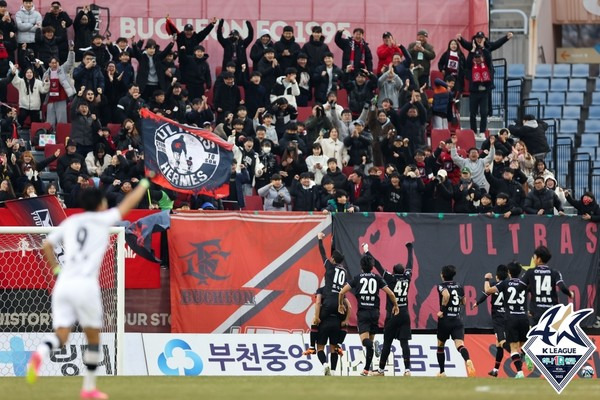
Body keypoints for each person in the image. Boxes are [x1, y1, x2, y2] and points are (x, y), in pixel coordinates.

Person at [27, 175, 152, 398]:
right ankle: (89, 389)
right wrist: (143, 184)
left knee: (61, 335)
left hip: (63, 283)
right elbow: (127, 204)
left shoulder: (70, 221)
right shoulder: (102, 220)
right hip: (85, 285)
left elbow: (46, 244)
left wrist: (56, 269)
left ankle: (39, 353)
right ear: (101, 204)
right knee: (93, 338)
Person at [338, 253, 398, 376]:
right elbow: (391, 294)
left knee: (365, 341)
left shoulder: (357, 277)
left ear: (361, 266)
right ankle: (366, 369)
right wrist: (396, 306)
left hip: (363, 313)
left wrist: (340, 304)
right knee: (369, 344)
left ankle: (374, 348)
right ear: (372, 267)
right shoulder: (377, 278)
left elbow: (341, 292)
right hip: (375, 313)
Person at [365, 242, 414, 377]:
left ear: (393, 271)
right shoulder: (407, 277)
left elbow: (377, 265)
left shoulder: (390, 278)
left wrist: (367, 252)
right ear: (403, 271)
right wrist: (410, 249)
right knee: (404, 343)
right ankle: (407, 370)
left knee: (387, 342)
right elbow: (410, 265)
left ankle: (381, 370)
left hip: (392, 314)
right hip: (405, 313)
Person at [313, 232, 349, 375]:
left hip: (328, 303)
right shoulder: (344, 272)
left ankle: (323, 361)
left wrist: (320, 240)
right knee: (334, 345)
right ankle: (333, 371)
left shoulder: (330, 266)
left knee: (317, 324)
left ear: (333, 259)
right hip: (340, 306)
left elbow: (322, 253)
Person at [484, 261, 529, 379]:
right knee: (524, 345)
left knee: (513, 347)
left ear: (509, 272)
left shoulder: (505, 283)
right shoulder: (525, 283)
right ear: (519, 272)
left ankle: (520, 372)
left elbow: (488, 291)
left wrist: (487, 280)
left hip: (511, 318)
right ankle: (527, 355)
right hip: (524, 317)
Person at [436, 264, 476, 377]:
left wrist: (442, 310)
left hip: (445, 320)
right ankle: (468, 360)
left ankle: (442, 372)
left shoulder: (441, 285)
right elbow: (464, 301)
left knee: (440, 345)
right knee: (460, 345)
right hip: (457, 319)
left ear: (443, 275)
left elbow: (446, 295)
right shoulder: (459, 285)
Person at [521, 246, 574, 327]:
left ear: (539, 259)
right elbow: (562, 287)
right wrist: (570, 293)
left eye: (534, 256)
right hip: (552, 311)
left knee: (536, 336)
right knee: (551, 336)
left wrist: (530, 288)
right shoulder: (554, 272)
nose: (533, 258)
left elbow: (520, 288)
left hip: (536, 311)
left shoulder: (530, 272)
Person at [473, 264, 509, 377]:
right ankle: (495, 370)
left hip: (498, 317)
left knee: (502, 343)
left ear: (497, 276)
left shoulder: (494, 285)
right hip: (508, 316)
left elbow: (486, 292)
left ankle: (521, 354)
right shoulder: (508, 285)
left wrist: (486, 279)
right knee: (498, 344)